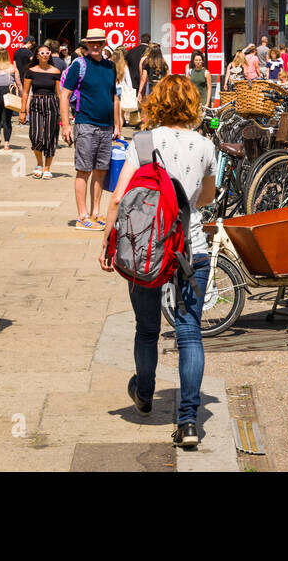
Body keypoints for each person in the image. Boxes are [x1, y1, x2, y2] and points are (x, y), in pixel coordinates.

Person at [99, 74, 216, 450]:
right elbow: (206, 198)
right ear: (191, 106)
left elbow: (119, 198)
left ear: (157, 104)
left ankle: (145, 394)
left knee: (147, 329)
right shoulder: (205, 145)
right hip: (190, 249)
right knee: (189, 331)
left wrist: (107, 238)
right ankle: (188, 421)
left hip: (147, 248)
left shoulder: (143, 143)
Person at [60, 29, 122, 231]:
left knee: (101, 171)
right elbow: (65, 95)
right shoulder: (79, 64)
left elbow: (113, 97)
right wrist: (66, 125)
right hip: (85, 123)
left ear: (104, 44)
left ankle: (96, 212)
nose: (95, 46)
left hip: (106, 127)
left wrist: (117, 125)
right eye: (91, 43)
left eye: (99, 43)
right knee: (84, 170)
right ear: (86, 45)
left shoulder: (110, 66)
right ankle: (82, 215)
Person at [20, 43, 61, 179]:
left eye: (47, 53)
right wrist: (22, 111)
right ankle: (39, 163)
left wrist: (63, 112)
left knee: (50, 135)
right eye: (42, 53)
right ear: (37, 55)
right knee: (35, 135)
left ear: (50, 55)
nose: (44, 55)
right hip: (36, 103)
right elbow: (25, 92)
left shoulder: (55, 71)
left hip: (51, 103)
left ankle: (47, 167)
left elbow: (59, 94)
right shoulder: (31, 71)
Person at [137, 44, 167, 109]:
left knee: (151, 107)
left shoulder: (148, 64)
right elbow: (168, 77)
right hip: (161, 88)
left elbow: (143, 79)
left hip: (151, 87)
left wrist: (140, 92)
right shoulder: (164, 64)